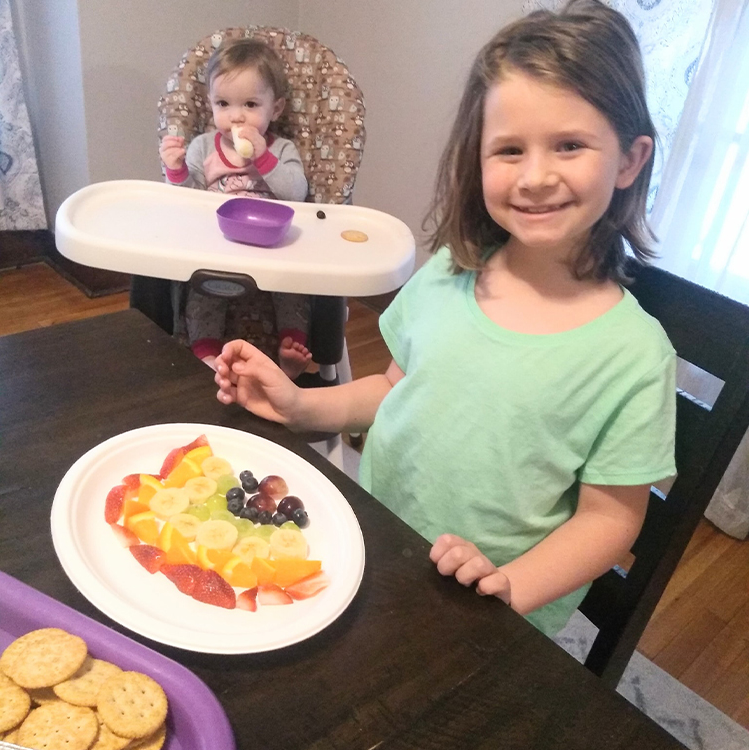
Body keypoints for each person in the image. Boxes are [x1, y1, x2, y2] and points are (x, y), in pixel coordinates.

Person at [213, 0, 677, 637]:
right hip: (370, 547)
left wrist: (513, 585)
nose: (536, 177)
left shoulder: (634, 356)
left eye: (570, 145)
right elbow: (395, 390)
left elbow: (610, 521)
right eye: (509, 149)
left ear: (629, 160)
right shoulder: (449, 272)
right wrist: (300, 406)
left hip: (485, 615)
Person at [159, 37, 311, 378]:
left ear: (276, 109)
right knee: (203, 290)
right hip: (219, 248)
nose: (235, 116)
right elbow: (187, 200)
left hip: (273, 247)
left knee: (294, 287)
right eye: (223, 103)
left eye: (251, 105)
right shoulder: (202, 148)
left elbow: (297, 194)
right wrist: (177, 170)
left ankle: (290, 352)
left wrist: (264, 158)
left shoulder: (282, 149)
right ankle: (206, 352)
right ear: (210, 104)